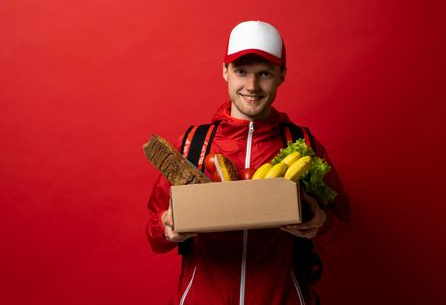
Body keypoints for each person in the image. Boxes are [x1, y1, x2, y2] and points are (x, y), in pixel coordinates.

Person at [146, 21, 350, 305]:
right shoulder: (192, 144)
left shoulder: (302, 148)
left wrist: (321, 223)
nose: (252, 87)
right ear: (225, 72)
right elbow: (153, 234)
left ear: (282, 75)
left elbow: (345, 235)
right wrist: (167, 228)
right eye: (242, 72)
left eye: (264, 73)